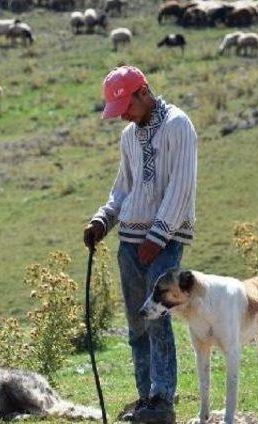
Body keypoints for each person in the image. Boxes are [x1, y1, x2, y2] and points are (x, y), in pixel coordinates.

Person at [83, 65, 198, 423]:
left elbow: (182, 186)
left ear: (143, 92)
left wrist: (158, 235)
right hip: (130, 241)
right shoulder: (129, 137)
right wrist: (103, 219)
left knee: (157, 318)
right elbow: (124, 188)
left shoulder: (179, 125)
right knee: (137, 321)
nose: (124, 118)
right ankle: (145, 397)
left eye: (127, 108)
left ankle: (163, 400)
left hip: (163, 240)